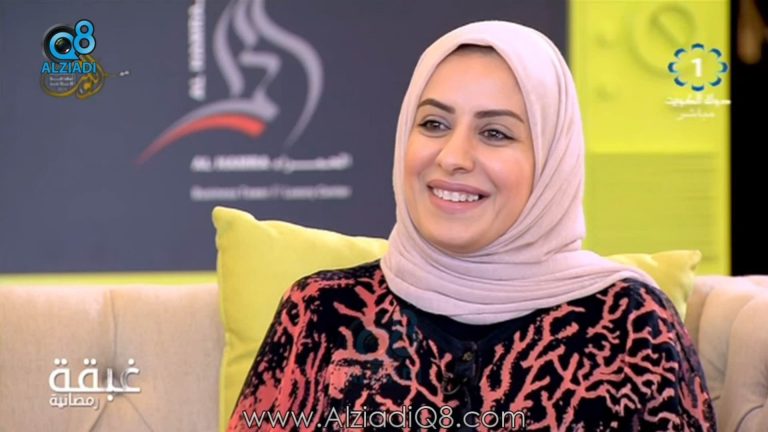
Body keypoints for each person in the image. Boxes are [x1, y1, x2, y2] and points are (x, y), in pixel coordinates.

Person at [227, 21, 716, 431]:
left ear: (552, 163)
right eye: (434, 124)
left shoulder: (631, 325)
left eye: (495, 132)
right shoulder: (321, 313)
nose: (453, 156)